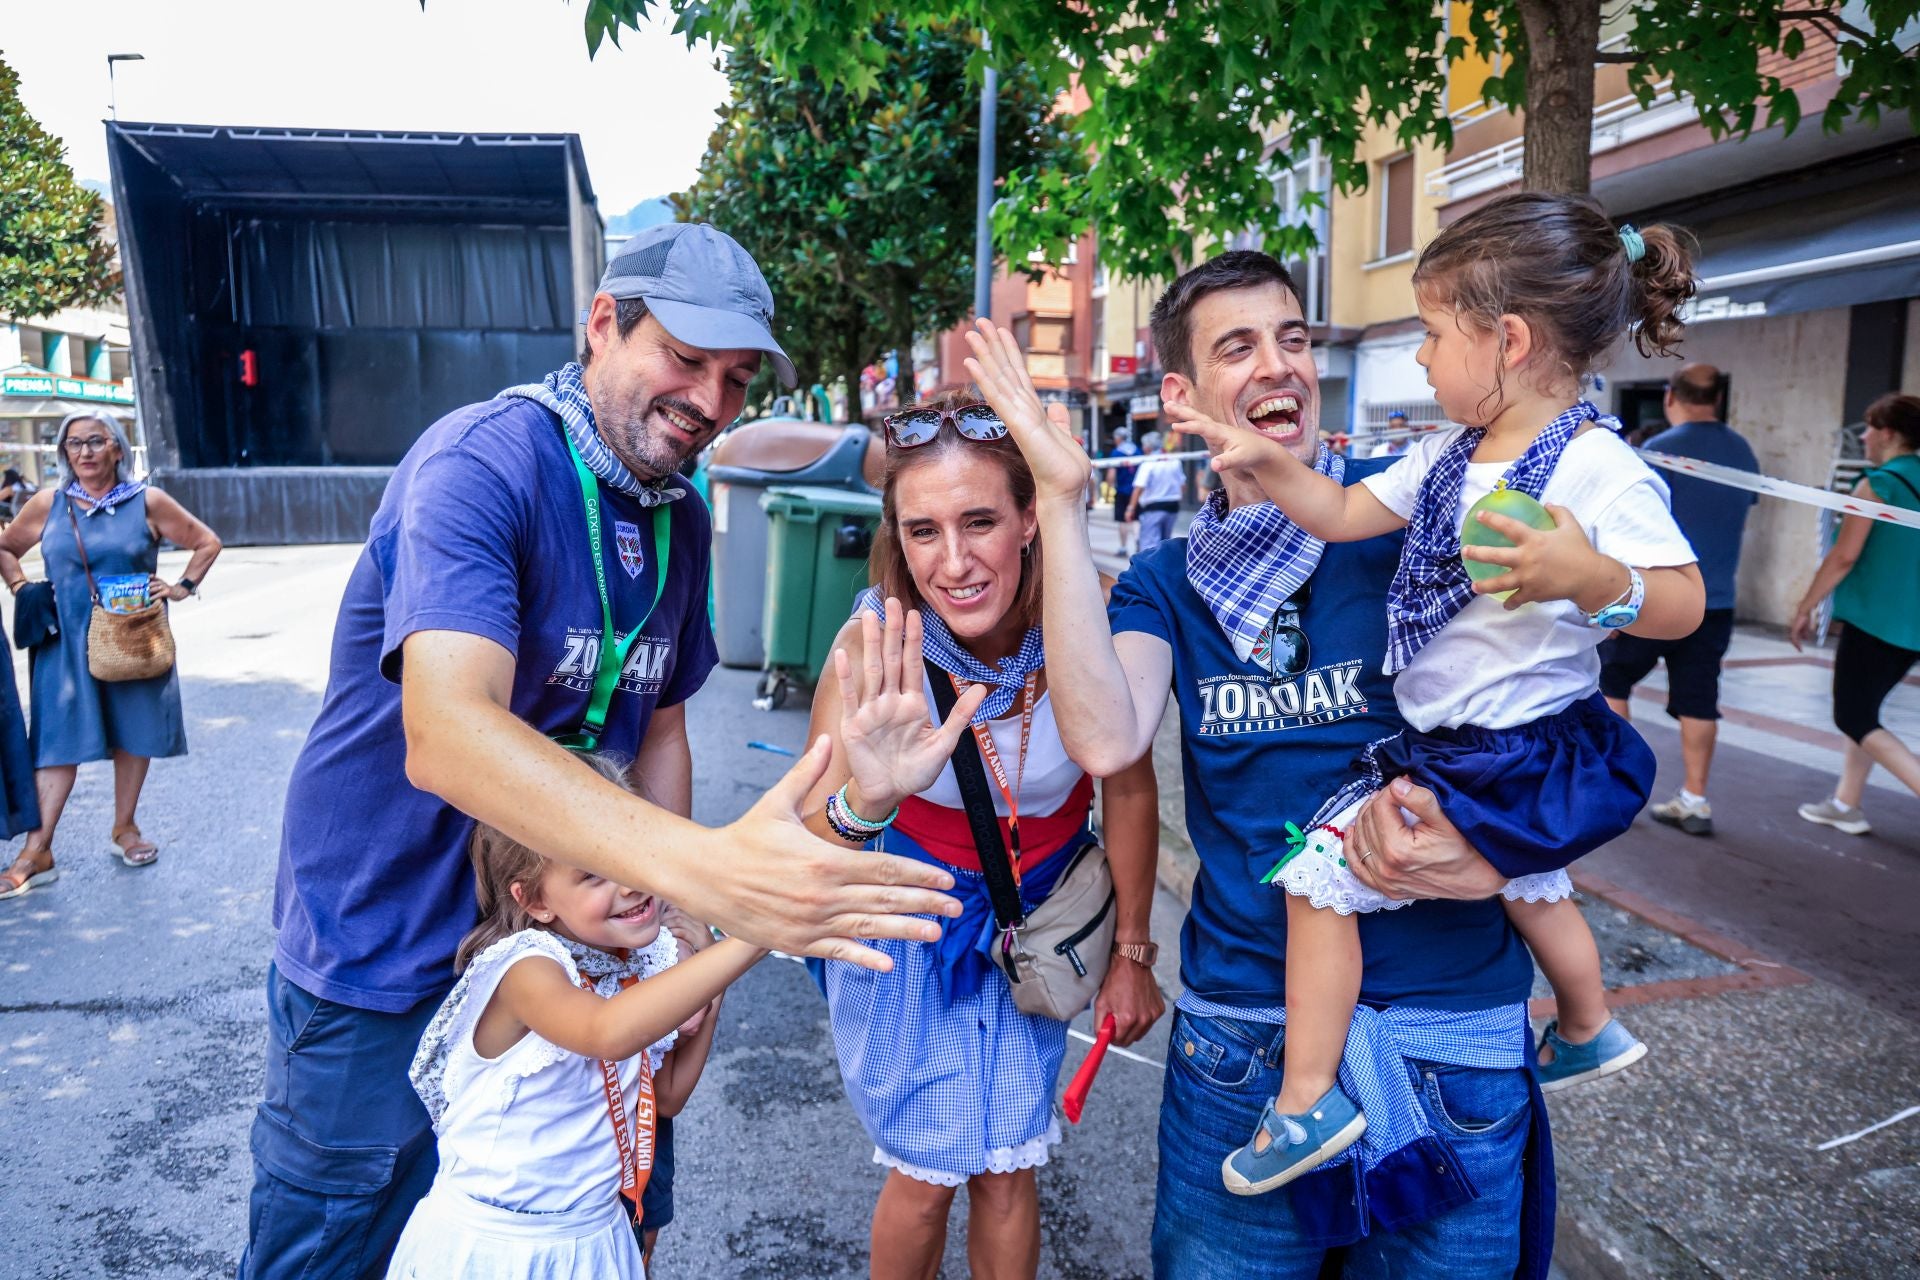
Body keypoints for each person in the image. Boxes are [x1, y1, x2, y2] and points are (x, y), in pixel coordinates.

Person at [240, 223, 963, 1280]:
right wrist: (708, 872)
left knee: (597, 1228)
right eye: (684, 357)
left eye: (735, 377)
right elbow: (446, 731)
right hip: (386, 957)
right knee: (338, 1254)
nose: (711, 400)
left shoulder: (678, 514)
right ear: (599, 325)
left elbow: (659, 720)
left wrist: (674, 926)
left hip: (585, 951)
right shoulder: (480, 465)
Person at [964, 243, 1674, 1276]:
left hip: (1451, 1031)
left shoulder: (1423, 519)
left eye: (1293, 339)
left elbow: (1559, 722)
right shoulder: (1165, 582)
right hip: (1246, 1041)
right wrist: (1061, 503)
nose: (1279, 365)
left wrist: (1499, 854)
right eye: (1239, 346)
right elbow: (1109, 739)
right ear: (1181, 391)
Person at [1167, 195, 1702, 1193]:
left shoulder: (1598, 468)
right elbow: (1335, 509)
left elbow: (1681, 602)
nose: (1418, 358)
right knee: (1533, 884)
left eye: (1430, 333)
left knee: (1318, 874)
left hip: (1512, 743)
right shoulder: (1447, 457)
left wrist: (1588, 577)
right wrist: (1270, 461)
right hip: (1471, 742)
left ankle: (1305, 1097)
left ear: (1505, 340)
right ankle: (1587, 1022)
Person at [803, 395, 1164, 1279]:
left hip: (1037, 921)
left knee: (1007, 1170)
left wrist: (1132, 952)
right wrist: (870, 794)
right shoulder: (876, 644)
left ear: (1031, 519)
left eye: (979, 522)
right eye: (923, 531)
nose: (954, 562)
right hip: (903, 919)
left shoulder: (1088, 628)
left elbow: (1128, 788)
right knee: (926, 1177)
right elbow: (811, 834)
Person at [386, 751, 753, 1280]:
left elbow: (666, 1094)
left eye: (633, 855)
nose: (628, 884)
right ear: (534, 900)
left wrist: (710, 995)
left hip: (594, 1236)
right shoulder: (525, 969)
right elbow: (605, 1033)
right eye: (593, 875)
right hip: (494, 1249)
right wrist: (754, 937)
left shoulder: (641, 964)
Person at [0, 410, 221, 898]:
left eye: (95, 442)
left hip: (132, 636)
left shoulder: (148, 501)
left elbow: (207, 541)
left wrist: (182, 586)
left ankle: (125, 827)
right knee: (56, 741)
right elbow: (6, 546)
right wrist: (21, 587)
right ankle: (39, 849)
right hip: (63, 639)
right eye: (73, 444)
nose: (84, 452)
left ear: (117, 449)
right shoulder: (49, 503)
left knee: (133, 730)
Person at [1600, 363, 1758, 836]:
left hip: (1656, 598)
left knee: (1613, 681)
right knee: (1700, 699)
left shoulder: (1655, 453)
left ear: (1671, 396)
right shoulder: (1742, 453)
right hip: (1717, 599)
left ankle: (1616, 789)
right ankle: (1695, 798)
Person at [1791, 392, 1920, 834]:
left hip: (1874, 620)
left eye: (1868, 428)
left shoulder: (1877, 484)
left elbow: (1843, 556)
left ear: (1888, 433)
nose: (1863, 436)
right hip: (1911, 627)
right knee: (1866, 711)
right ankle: (1847, 803)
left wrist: (1806, 604)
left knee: (1853, 715)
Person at [1128, 429, 1186, 553]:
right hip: (1172, 507)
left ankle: (1149, 572)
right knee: (1165, 544)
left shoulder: (1148, 463)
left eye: (1144, 445)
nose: (1143, 448)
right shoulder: (1174, 460)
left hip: (1153, 507)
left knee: (1150, 546)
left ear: (1148, 447)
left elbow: (1138, 488)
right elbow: (1182, 485)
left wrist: (1131, 508)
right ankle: (1165, 570)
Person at [1106, 426, 1142, 556]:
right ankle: (1138, 540)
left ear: (1118, 438)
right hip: (1137, 491)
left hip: (1122, 490)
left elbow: (1111, 474)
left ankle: (1123, 547)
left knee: (1122, 520)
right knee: (1136, 518)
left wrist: (1109, 489)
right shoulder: (1138, 450)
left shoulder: (1116, 452)